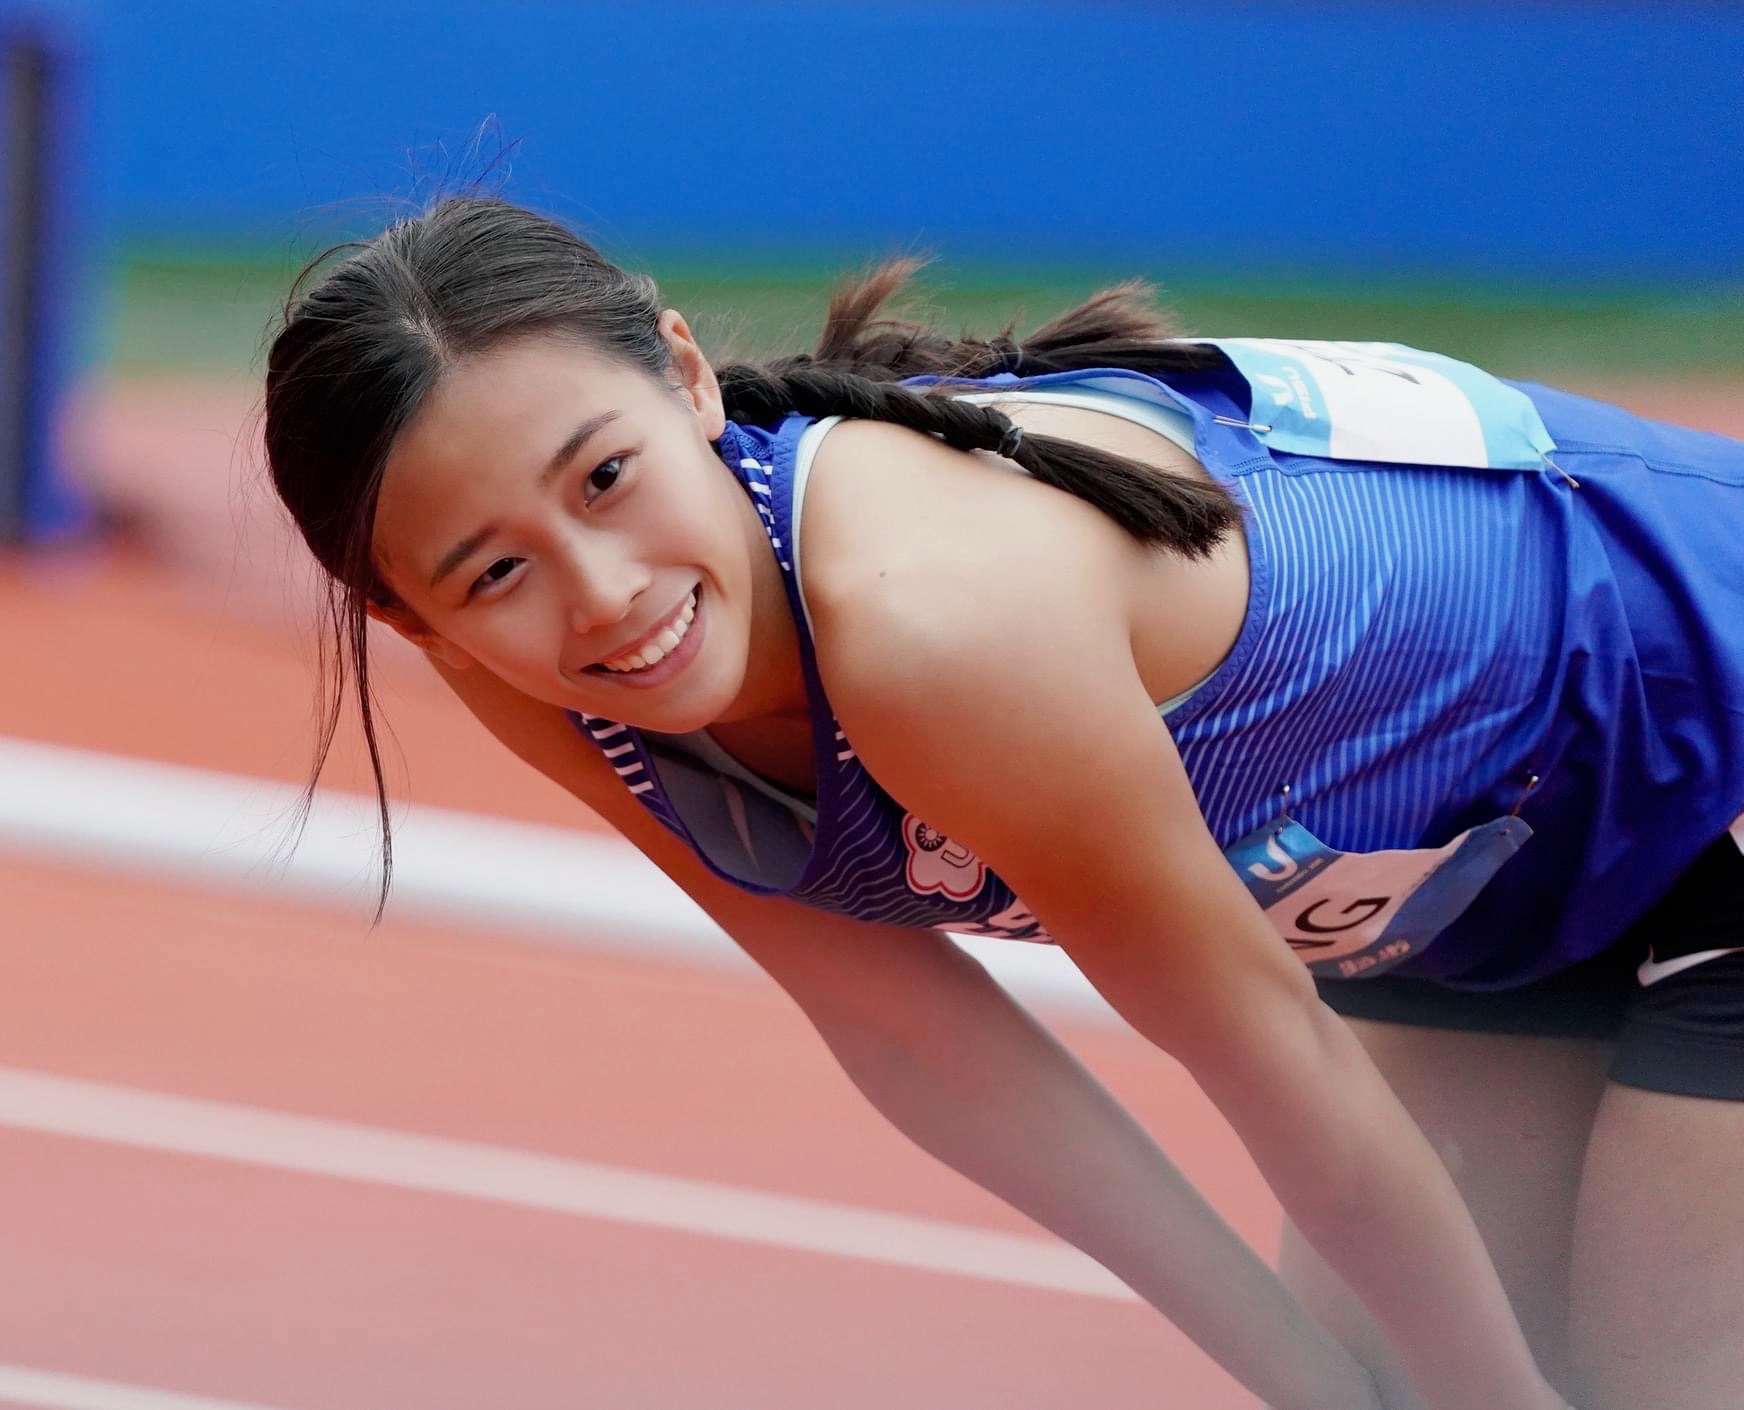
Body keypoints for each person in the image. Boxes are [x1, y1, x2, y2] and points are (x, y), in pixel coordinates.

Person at [261, 196, 1744, 1410]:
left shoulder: (935, 629)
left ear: (686, 374)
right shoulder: (546, 672)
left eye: (604, 477)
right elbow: (918, 1033)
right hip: (1470, 896)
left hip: (1709, 715)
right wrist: (1312, 1385)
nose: (604, 595)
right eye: (495, 570)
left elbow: (1268, 1049)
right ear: (418, 623)